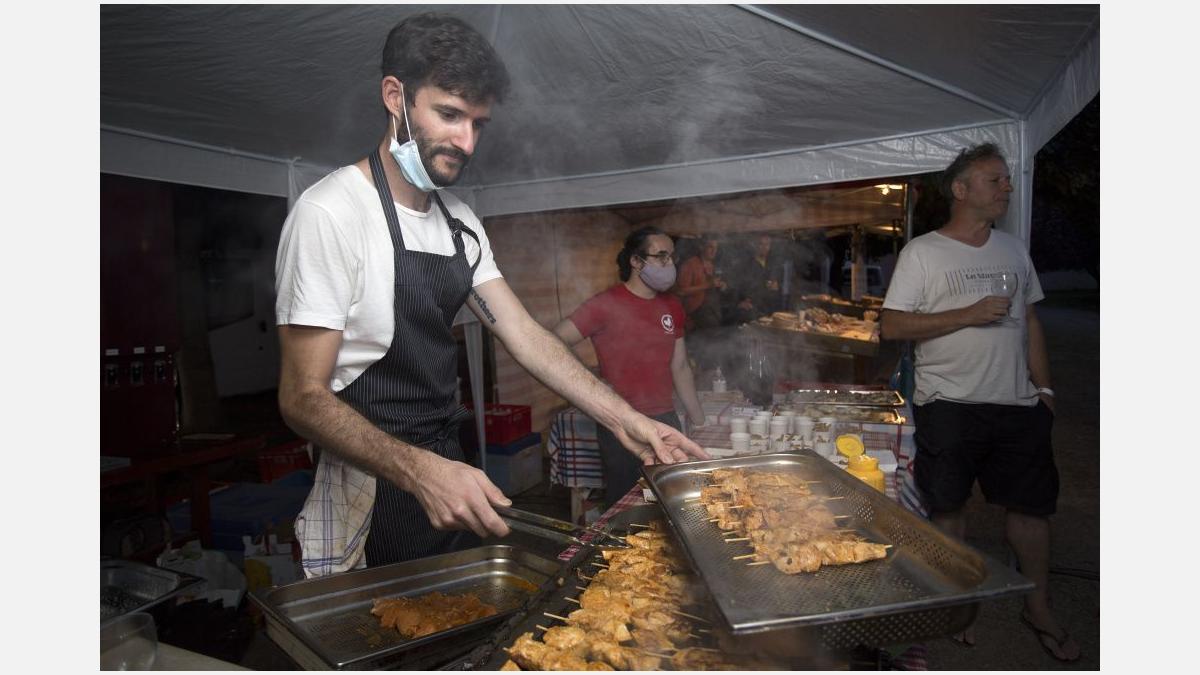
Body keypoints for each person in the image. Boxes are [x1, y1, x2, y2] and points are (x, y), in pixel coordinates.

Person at [274, 13, 707, 577]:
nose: (466, 142)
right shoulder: (330, 213)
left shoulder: (460, 222)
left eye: (478, 123)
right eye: (449, 115)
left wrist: (628, 421)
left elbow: (524, 335)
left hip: (450, 468)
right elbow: (301, 397)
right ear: (395, 97)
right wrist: (419, 471)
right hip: (371, 480)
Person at [879, 143, 1080, 661]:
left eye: (1007, 179)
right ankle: (958, 604)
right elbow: (892, 325)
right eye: (995, 179)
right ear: (961, 189)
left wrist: (1045, 390)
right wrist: (966, 314)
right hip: (949, 403)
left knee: (1032, 511)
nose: (1006, 187)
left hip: (1018, 405)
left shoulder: (1013, 249)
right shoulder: (923, 252)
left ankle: (1038, 606)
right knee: (949, 509)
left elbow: (1030, 321)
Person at [554, 227, 707, 507]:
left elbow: (681, 366)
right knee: (625, 503)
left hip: (666, 419)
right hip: (620, 422)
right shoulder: (604, 304)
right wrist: (588, 379)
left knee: (672, 499)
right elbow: (555, 340)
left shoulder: (672, 305)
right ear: (636, 261)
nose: (670, 264)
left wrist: (698, 419)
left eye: (672, 256)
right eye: (661, 256)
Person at [674, 237, 725, 331]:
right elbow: (680, 291)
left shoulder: (713, 265)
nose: (714, 251)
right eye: (710, 247)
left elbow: (713, 287)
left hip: (713, 310)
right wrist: (707, 285)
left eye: (716, 248)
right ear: (701, 247)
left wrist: (722, 285)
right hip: (695, 312)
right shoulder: (689, 264)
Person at [729, 233, 781, 323]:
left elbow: (777, 286)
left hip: (769, 310)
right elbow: (736, 286)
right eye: (761, 244)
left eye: (767, 244)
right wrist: (739, 303)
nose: (764, 247)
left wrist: (776, 287)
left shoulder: (773, 263)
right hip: (751, 310)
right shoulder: (746, 264)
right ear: (755, 245)